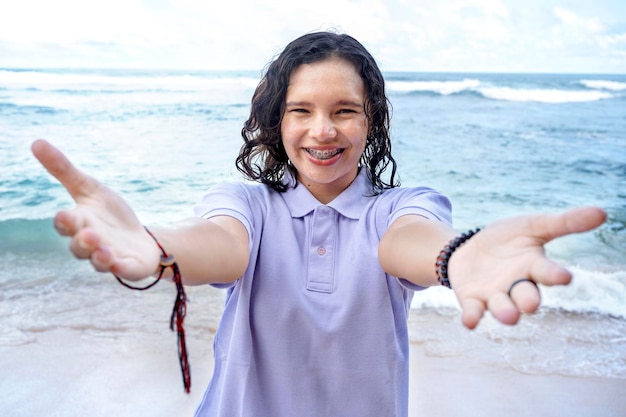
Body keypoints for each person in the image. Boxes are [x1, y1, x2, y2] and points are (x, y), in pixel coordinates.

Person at [31, 31, 606, 417]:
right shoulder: (248, 204)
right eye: (301, 111)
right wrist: (155, 245)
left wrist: (458, 258)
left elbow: (408, 242)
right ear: (275, 121)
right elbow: (221, 246)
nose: (323, 131)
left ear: (371, 120)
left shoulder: (400, 207)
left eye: (344, 111)